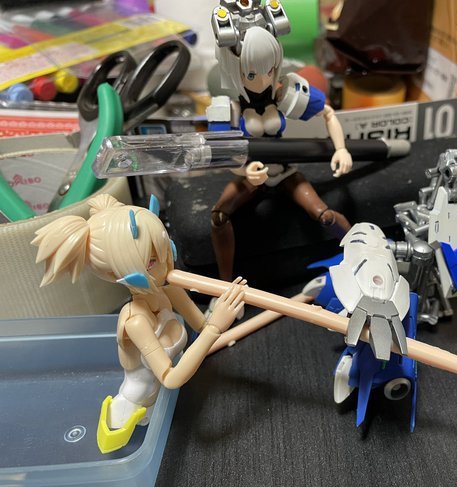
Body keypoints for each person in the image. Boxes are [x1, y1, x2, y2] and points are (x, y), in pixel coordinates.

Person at [32, 194, 245, 452]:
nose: (167, 264)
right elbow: (171, 377)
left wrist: (224, 309)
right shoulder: (135, 321)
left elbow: (201, 325)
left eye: (165, 248)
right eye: (152, 261)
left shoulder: (168, 290)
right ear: (115, 273)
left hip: (177, 398)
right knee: (122, 450)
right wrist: (215, 328)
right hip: (138, 403)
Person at [211, 25, 353, 282]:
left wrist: (341, 149)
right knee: (218, 217)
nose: (262, 80)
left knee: (324, 215)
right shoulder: (230, 108)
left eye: (269, 70)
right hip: (251, 175)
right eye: (251, 73)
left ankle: (361, 251)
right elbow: (221, 153)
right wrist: (244, 170)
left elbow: (328, 113)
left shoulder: (282, 95)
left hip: (284, 171)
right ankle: (224, 284)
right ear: (235, 70)